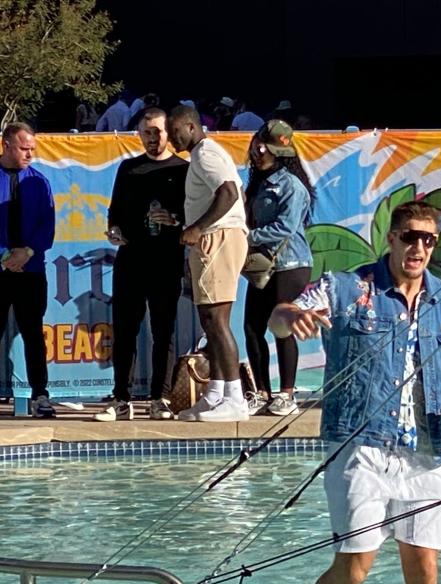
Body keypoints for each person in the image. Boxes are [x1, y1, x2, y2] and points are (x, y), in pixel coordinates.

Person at [268, 201, 441, 584]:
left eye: (428, 240)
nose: (418, 248)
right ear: (392, 238)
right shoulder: (346, 288)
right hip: (361, 445)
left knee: (425, 568)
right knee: (355, 569)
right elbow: (279, 318)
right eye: (410, 237)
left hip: (428, 451)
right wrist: (290, 315)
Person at [95, 107, 188, 421]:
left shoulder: (183, 169)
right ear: (139, 134)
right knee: (124, 330)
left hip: (166, 261)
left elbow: (194, 216)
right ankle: (121, 398)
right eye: (147, 132)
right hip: (131, 260)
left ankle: (159, 398)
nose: (152, 138)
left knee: (164, 332)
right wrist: (114, 230)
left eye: (158, 131)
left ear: (169, 132)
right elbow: (115, 212)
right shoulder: (128, 169)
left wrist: (174, 219)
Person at [166, 104, 250, 422]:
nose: (173, 141)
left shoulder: (205, 153)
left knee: (217, 321)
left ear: (190, 126)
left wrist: (198, 227)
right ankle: (215, 392)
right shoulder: (202, 155)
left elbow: (229, 193)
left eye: (176, 133)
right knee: (209, 321)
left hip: (219, 238)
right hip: (214, 238)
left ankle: (235, 398)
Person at [243, 120, 314, 416]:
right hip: (263, 265)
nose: (259, 151)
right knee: (251, 328)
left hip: (291, 265)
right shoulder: (254, 181)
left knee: (282, 327)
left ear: (282, 153)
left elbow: (285, 227)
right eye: (258, 143)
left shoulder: (292, 186)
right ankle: (261, 392)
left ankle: (287, 394)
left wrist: (245, 237)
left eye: (267, 147)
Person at [0, 122, 56, 418]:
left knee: (33, 334)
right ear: (6, 144)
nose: (30, 154)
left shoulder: (39, 181)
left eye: (33, 148)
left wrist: (27, 253)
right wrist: (5, 256)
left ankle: (40, 395)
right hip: (0, 269)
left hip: (31, 271)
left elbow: (47, 226)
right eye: (24, 148)